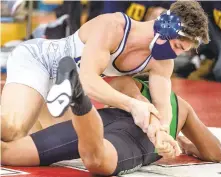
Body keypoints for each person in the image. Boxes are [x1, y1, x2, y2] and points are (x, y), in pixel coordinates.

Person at [1, 1, 209, 144]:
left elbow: (162, 107)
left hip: (62, 87)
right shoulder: (114, 26)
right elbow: (88, 81)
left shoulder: (162, 62)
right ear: (165, 28)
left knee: (45, 143)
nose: (176, 53)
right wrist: (133, 105)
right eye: (177, 45)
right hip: (39, 62)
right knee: (12, 131)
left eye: (182, 50)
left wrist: (161, 133)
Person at [1, 57, 221, 176]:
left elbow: (137, 99)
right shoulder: (181, 107)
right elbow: (213, 152)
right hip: (131, 139)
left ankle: (80, 100)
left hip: (102, 121)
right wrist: (189, 143)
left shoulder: (124, 82)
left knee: (8, 153)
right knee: (97, 161)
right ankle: (79, 100)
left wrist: (185, 143)